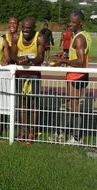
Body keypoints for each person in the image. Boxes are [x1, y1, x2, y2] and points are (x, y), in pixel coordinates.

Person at [50, 10, 91, 144]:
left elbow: (80, 62)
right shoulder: (82, 35)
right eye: (70, 21)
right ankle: (60, 132)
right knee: (68, 103)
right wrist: (66, 56)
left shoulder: (79, 38)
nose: (70, 24)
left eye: (73, 22)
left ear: (80, 22)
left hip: (77, 76)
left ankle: (77, 138)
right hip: (75, 75)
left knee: (74, 106)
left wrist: (63, 62)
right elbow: (78, 57)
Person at [11, 17, 45, 144]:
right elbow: (13, 54)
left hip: (34, 74)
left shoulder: (39, 37)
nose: (25, 31)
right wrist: (18, 59)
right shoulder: (16, 37)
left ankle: (31, 131)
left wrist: (29, 61)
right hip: (20, 74)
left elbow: (40, 57)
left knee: (34, 104)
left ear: (34, 29)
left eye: (28, 28)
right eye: (24, 28)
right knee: (22, 103)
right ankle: (23, 130)